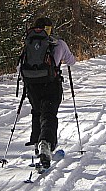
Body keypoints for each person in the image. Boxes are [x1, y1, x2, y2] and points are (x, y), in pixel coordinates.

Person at [20, 16, 76, 169]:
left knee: (37, 112)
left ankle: (38, 145)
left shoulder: (29, 42)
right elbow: (72, 61)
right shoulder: (59, 44)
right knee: (49, 115)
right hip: (51, 84)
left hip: (32, 86)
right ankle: (46, 143)